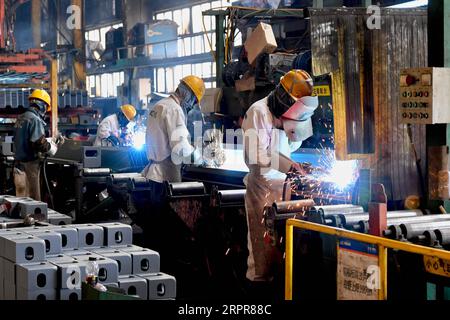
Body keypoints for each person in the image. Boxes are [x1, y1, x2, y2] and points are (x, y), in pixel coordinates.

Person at [241, 69, 319, 288]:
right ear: (283, 98)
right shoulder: (258, 112)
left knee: (281, 250)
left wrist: (296, 166)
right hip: (261, 189)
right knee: (262, 253)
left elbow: (293, 145)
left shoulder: (295, 114)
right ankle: (256, 292)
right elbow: (255, 156)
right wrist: (289, 166)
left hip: (283, 188)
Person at [141, 75, 205, 251]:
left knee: (154, 227)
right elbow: (180, 148)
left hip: (154, 175)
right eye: (193, 101)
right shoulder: (175, 109)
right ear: (189, 95)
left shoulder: (159, 105)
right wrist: (200, 159)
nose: (191, 106)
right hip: (165, 178)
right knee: (166, 230)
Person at [13, 89, 60, 201]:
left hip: (18, 164)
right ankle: (34, 218)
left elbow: (24, 138)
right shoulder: (35, 119)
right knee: (33, 199)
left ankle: (22, 217)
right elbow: (38, 142)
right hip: (30, 165)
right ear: (42, 105)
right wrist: (51, 148)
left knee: (21, 197)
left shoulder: (21, 117)